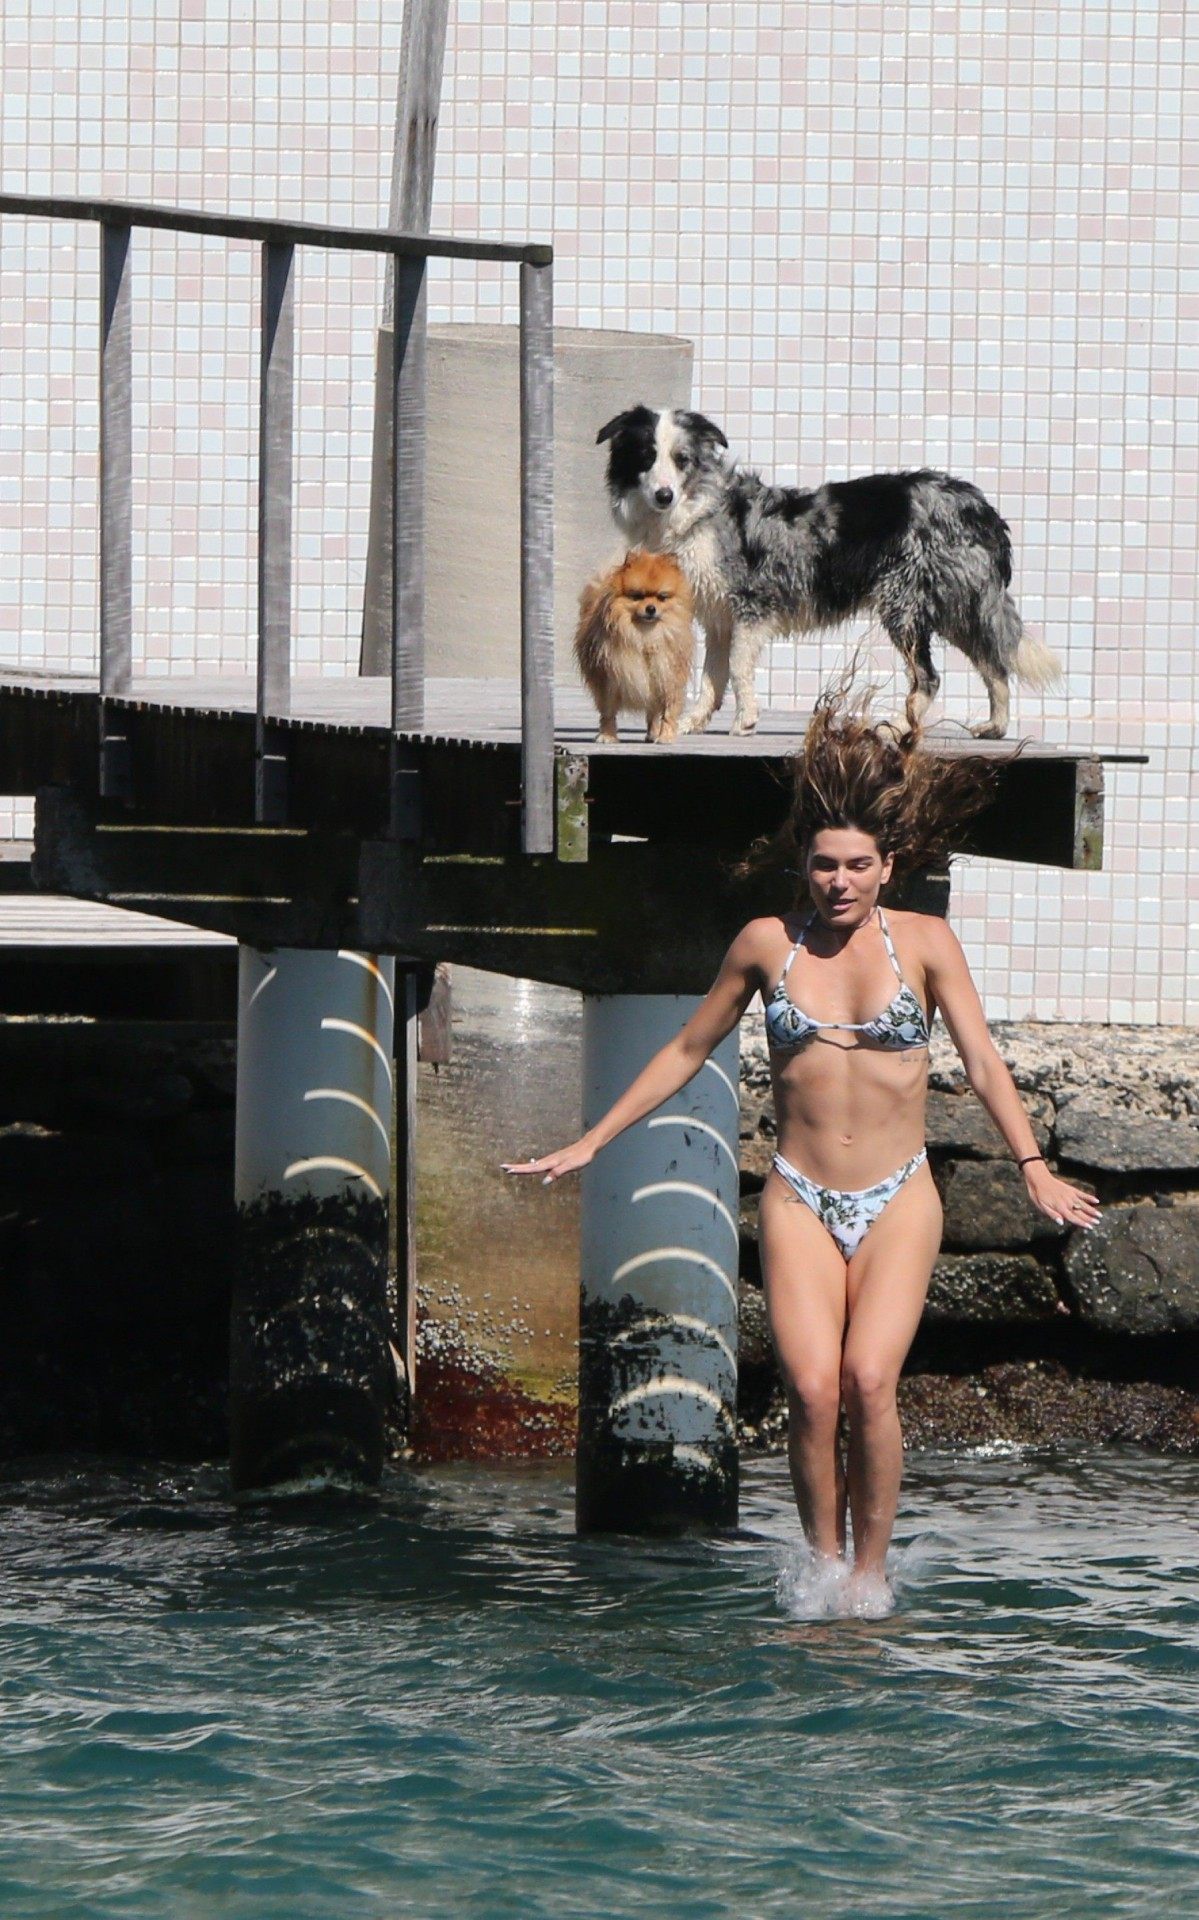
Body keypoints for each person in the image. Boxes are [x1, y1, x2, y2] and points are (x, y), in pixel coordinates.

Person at [504, 690, 1100, 1604]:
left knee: (869, 1380)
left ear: (886, 866)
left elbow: (980, 1059)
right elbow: (685, 1048)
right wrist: (593, 1140)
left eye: (858, 866)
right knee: (815, 1391)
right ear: (805, 865)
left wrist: (1030, 1165)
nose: (839, 882)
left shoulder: (927, 945)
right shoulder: (765, 945)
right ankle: (821, 1570)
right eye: (825, 866)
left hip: (898, 1194)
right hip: (798, 1195)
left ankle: (869, 1580)